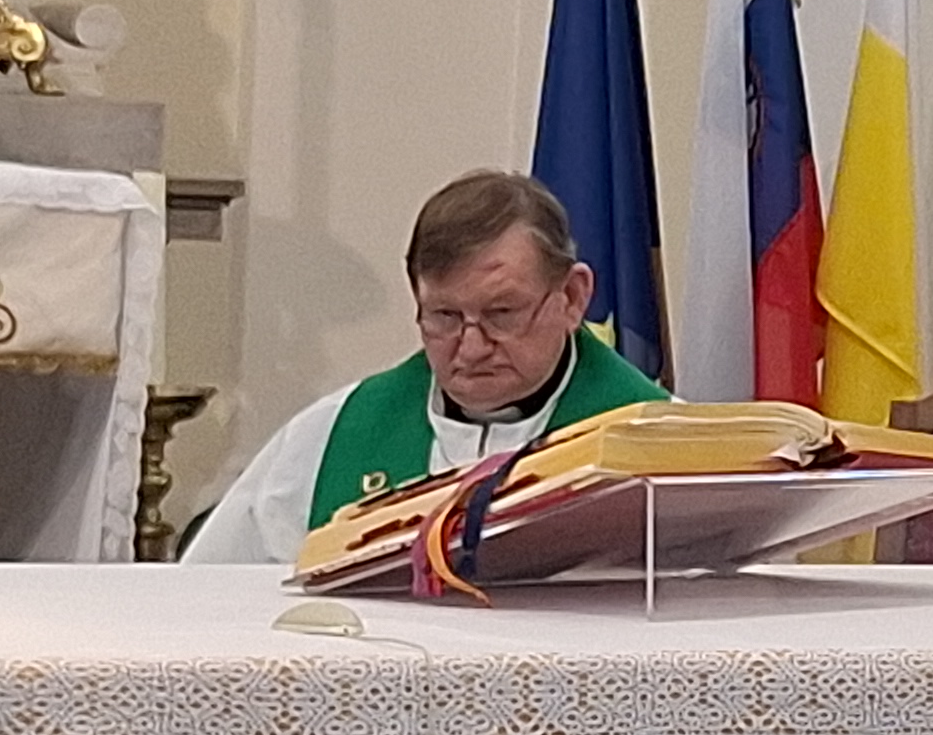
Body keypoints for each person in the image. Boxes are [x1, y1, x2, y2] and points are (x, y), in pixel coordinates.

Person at [183, 170, 674, 568]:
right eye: (444, 316)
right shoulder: (332, 436)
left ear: (572, 296)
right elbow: (210, 598)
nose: (472, 348)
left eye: (502, 314)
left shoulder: (668, 447)